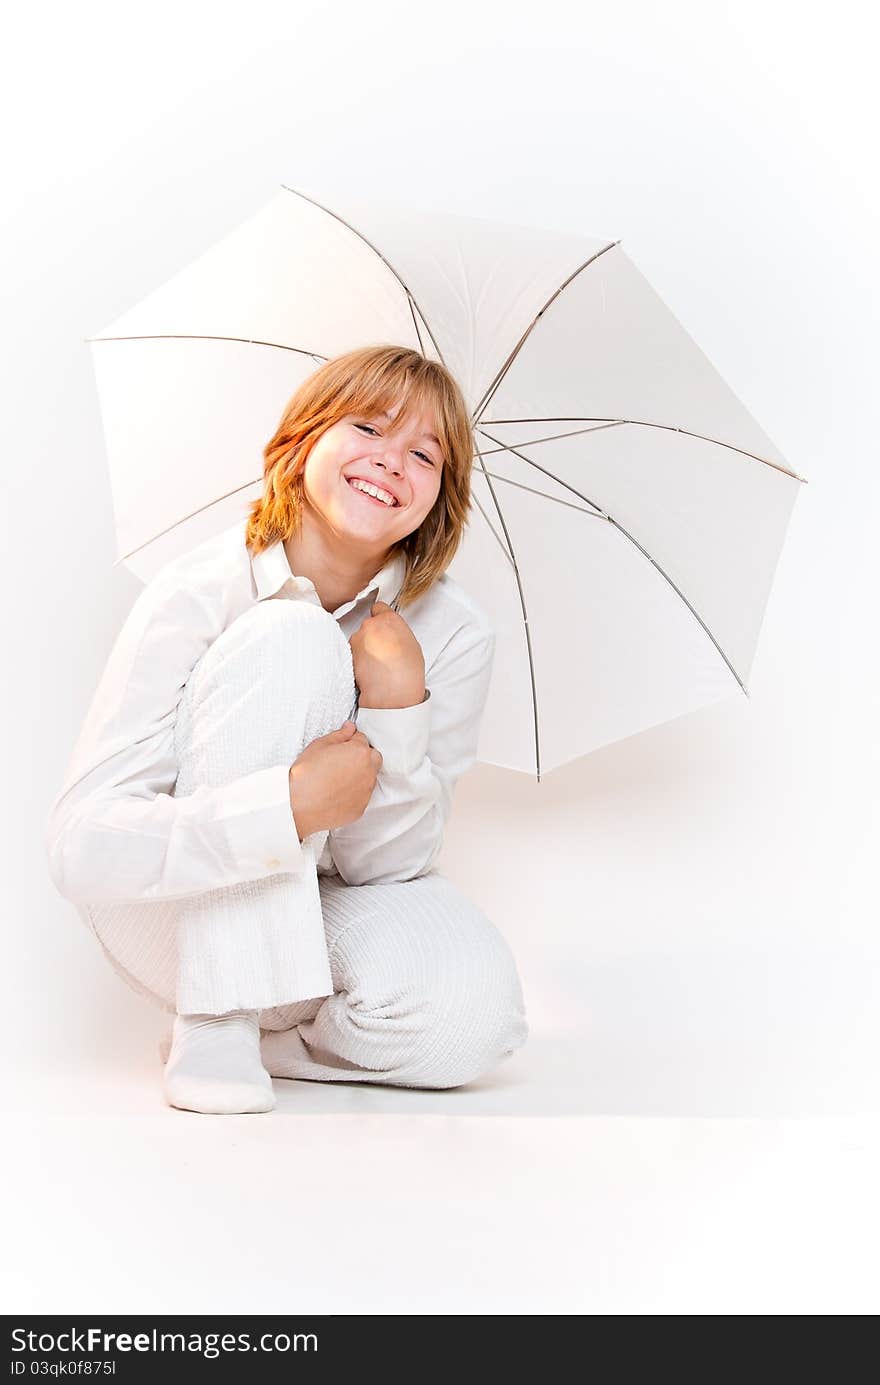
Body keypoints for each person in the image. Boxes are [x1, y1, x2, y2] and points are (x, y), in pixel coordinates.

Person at [45, 343, 529, 1114]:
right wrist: (287, 810)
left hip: (324, 909)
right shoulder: (199, 589)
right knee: (291, 636)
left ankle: (270, 1043)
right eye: (368, 427)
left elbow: (386, 869)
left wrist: (399, 703)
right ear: (304, 438)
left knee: (475, 1015)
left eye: (423, 454)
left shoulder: (455, 633)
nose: (390, 461)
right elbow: (82, 846)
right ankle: (216, 1016)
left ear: (441, 496)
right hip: (171, 904)